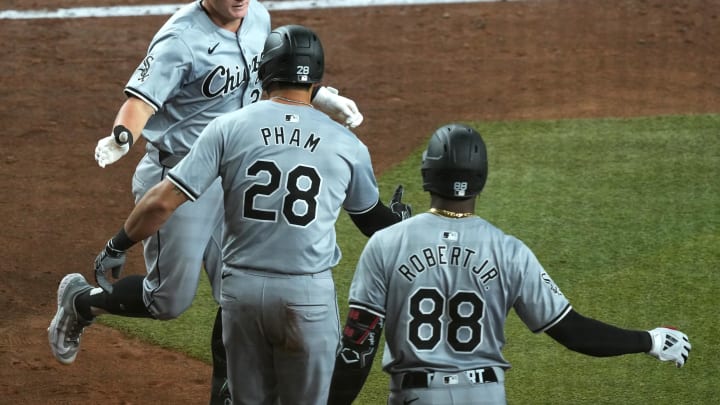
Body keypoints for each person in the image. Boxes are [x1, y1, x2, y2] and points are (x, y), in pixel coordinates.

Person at [50, 24, 411, 405]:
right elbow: (373, 222)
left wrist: (118, 243)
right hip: (307, 296)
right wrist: (403, 223)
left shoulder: (228, 128)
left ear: (264, 72)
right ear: (316, 78)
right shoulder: (347, 144)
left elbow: (160, 201)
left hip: (242, 294)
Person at [327, 123, 692, 405]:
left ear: (427, 175)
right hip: (484, 395)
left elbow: (357, 346)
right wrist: (650, 340)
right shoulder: (509, 250)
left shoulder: (385, 244)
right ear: (481, 179)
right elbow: (574, 332)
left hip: (416, 397)